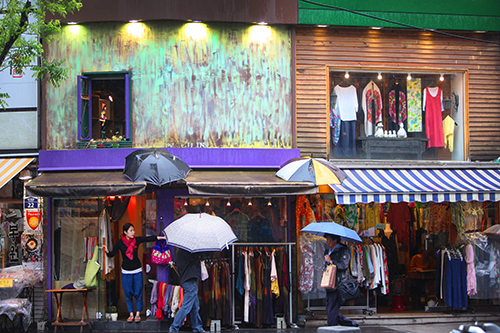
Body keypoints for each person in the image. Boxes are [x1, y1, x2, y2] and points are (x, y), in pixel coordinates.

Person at [102, 223, 165, 323]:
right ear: (125, 232)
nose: (133, 232)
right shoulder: (119, 243)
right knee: (128, 293)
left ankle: (138, 314)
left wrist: (161, 237)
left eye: (133, 230)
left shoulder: (137, 240)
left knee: (138, 292)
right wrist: (106, 250)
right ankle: (131, 314)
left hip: (137, 270)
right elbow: (112, 254)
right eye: (131, 230)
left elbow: (147, 239)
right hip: (126, 272)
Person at [324, 234, 359, 327]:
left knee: (332, 308)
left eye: (328, 239)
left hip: (338, 284)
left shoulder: (343, 250)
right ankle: (350, 323)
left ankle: (332, 328)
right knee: (330, 308)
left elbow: (343, 265)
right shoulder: (328, 250)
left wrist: (331, 262)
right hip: (329, 283)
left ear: (334, 240)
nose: (327, 241)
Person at [168, 248, 205, 333]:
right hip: (190, 281)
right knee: (186, 306)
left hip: (187, 280)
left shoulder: (180, 253)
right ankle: (174, 327)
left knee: (195, 306)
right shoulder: (189, 253)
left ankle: (197, 327)